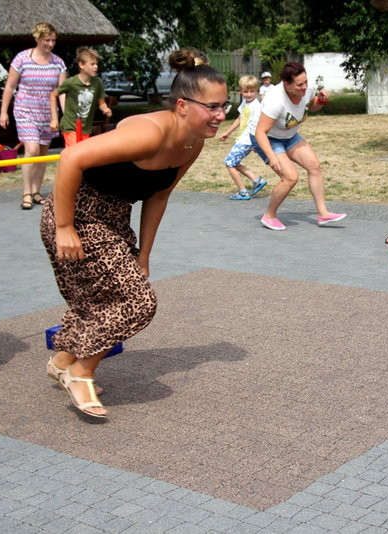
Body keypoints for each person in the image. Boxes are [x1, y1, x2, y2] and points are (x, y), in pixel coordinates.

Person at [40, 50, 228, 418]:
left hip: (112, 218)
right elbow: (69, 159)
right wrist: (64, 227)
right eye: (213, 107)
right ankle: (80, 372)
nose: (221, 116)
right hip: (76, 213)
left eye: (226, 105)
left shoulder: (193, 141)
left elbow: (160, 194)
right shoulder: (149, 133)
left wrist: (144, 254)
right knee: (138, 302)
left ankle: (63, 361)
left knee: (104, 296)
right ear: (183, 106)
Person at [249, 62, 346, 231]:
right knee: (290, 177)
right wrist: (272, 156)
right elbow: (260, 132)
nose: (304, 87)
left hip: (289, 134)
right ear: (287, 84)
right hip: (267, 137)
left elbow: (311, 105)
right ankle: (269, 215)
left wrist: (321, 101)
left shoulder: (306, 90)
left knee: (314, 166)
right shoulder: (275, 100)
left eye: (306, 82)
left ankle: (323, 214)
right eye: (299, 84)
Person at [0, 22, 67, 210]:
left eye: (53, 40)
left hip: (48, 113)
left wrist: (65, 114)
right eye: (47, 40)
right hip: (25, 110)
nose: (50, 44)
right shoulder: (22, 59)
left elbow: (61, 91)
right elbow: (10, 86)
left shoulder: (58, 62)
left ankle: (36, 190)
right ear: (38, 39)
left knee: (43, 153)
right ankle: (26, 192)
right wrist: (3, 111)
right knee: (32, 150)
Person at [49, 47, 112, 147]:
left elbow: (101, 103)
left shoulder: (97, 82)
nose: (96, 67)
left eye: (96, 64)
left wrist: (105, 109)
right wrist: (54, 119)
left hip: (86, 128)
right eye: (92, 64)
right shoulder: (71, 83)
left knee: (83, 157)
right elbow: (53, 95)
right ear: (81, 65)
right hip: (71, 127)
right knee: (75, 153)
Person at [219, 75, 267, 200]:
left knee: (229, 163)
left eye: (252, 91)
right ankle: (257, 180)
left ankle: (243, 191)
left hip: (247, 140)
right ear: (240, 91)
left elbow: (260, 126)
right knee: (233, 162)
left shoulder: (257, 107)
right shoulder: (245, 103)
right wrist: (228, 132)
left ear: (257, 91)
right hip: (242, 138)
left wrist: (257, 143)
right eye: (246, 91)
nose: (249, 94)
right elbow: (240, 118)